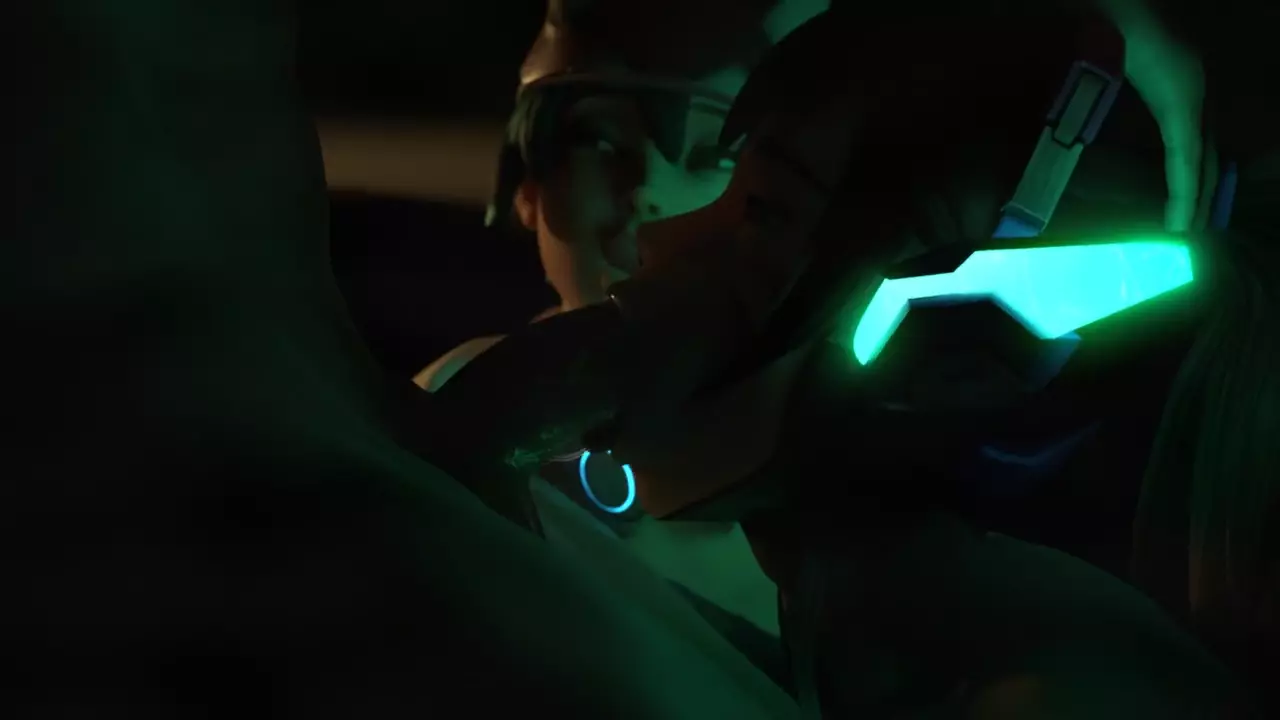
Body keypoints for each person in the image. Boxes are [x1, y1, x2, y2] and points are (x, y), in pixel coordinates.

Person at [413, 0, 830, 639]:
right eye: (601, 144)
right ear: (528, 188)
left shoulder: (836, 466)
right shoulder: (452, 403)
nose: (646, 191)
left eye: (713, 157)